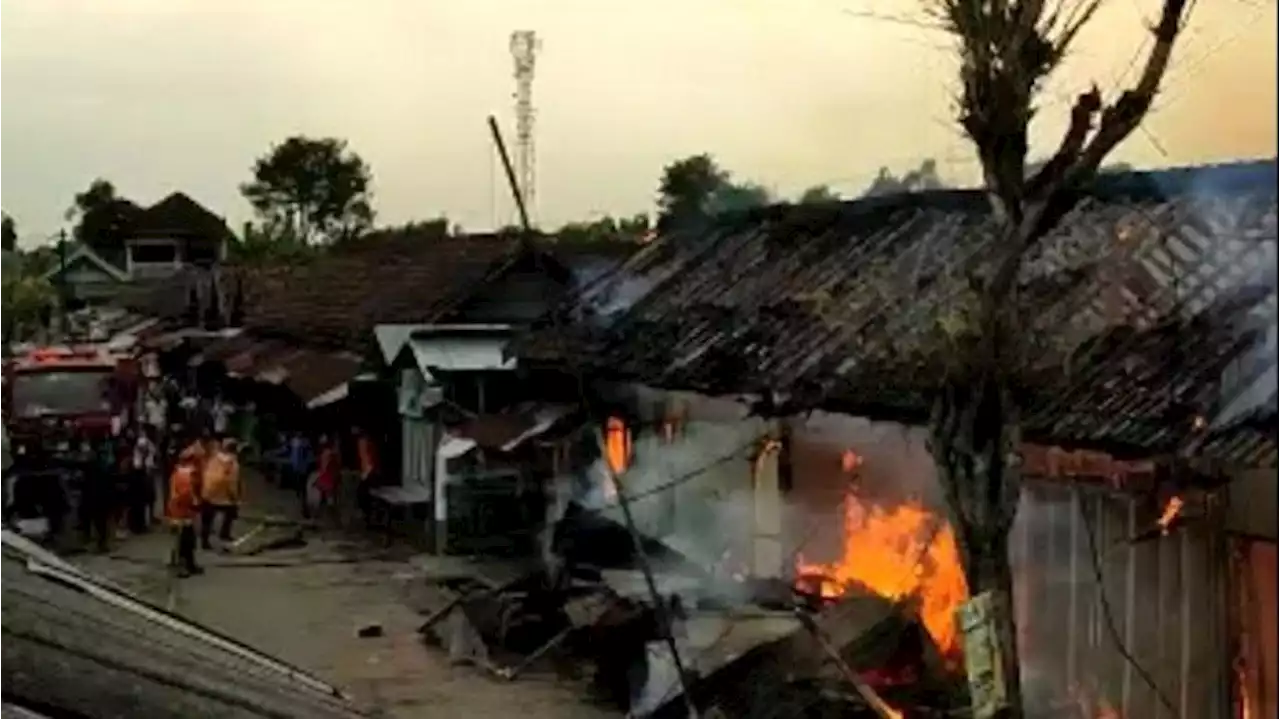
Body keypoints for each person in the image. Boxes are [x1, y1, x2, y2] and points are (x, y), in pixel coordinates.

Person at [199, 438, 242, 549]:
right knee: (231, 511)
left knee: (207, 519)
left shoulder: (214, 458)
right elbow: (232, 482)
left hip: (208, 492)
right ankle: (225, 533)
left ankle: (204, 541)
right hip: (223, 495)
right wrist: (235, 497)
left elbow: (205, 472)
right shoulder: (232, 463)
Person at [167, 449, 203, 577]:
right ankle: (183, 566)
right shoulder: (187, 474)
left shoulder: (179, 472)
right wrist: (195, 504)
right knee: (184, 540)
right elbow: (186, 494)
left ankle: (189, 563)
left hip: (179, 510)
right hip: (182, 512)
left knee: (185, 539)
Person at [354, 427, 380, 528]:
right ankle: (368, 517)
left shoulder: (365, 443)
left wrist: (366, 473)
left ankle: (369, 517)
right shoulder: (364, 443)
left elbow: (370, 460)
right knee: (364, 495)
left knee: (364, 494)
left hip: (370, 472)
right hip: (368, 471)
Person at [313, 435, 340, 523]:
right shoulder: (330, 454)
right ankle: (332, 519)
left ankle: (320, 517)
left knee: (325, 500)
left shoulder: (325, 453)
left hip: (325, 478)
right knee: (329, 500)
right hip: (328, 479)